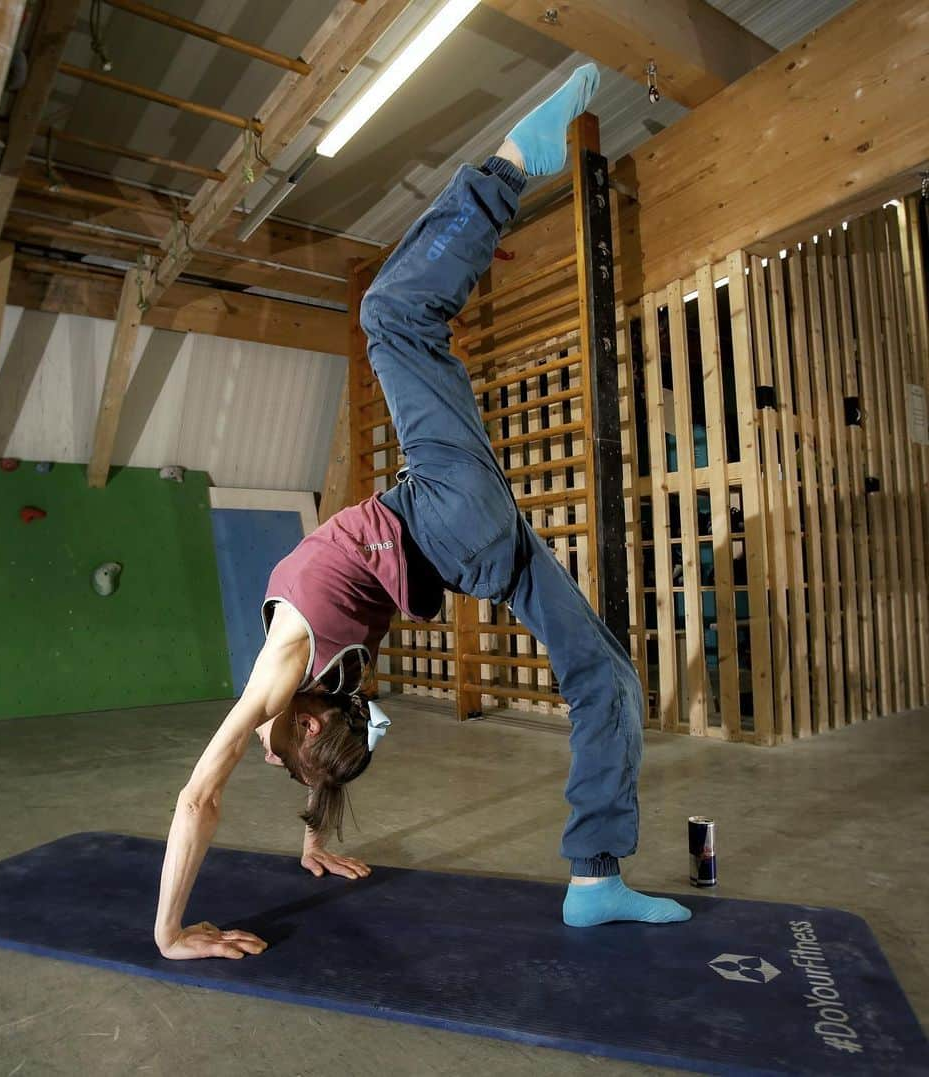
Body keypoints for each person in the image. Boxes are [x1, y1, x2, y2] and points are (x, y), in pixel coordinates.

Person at [154, 64, 690, 962]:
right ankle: (513, 164)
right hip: (444, 512)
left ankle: (596, 876)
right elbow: (195, 798)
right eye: (284, 754)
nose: (271, 752)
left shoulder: (328, 682)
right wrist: (170, 933)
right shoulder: (286, 674)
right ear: (312, 719)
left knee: (607, 681)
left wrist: (314, 833)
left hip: (477, 550)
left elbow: (304, 765)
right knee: (393, 315)